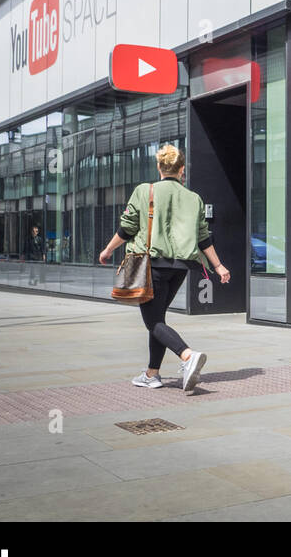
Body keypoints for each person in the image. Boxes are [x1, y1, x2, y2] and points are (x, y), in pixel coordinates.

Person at [98, 144, 231, 392]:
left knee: (153, 322)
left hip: (151, 264)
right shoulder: (194, 198)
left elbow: (127, 228)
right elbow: (204, 238)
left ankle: (188, 356)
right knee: (157, 318)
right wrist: (219, 266)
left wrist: (108, 250)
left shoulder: (144, 191)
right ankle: (152, 374)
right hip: (179, 268)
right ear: (181, 170)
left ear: (159, 167)